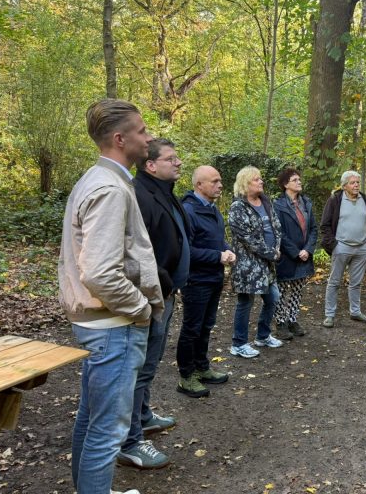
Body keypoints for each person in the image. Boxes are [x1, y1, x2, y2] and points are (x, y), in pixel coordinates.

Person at [58, 98, 162, 494]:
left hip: (100, 323)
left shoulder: (98, 180)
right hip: (114, 325)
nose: (147, 137)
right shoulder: (110, 188)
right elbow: (100, 271)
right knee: (108, 429)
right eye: (141, 131)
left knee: (90, 418)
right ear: (120, 139)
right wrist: (140, 309)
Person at [117, 138, 188, 470]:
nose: (178, 164)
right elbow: (137, 250)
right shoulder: (139, 195)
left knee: (150, 364)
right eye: (171, 159)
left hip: (166, 292)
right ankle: (130, 441)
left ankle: (143, 416)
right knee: (140, 369)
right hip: (151, 294)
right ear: (151, 165)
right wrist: (164, 281)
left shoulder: (163, 192)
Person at [176, 165, 235, 398]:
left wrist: (228, 250)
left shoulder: (212, 209)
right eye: (214, 181)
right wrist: (218, 256)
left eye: (220, 181)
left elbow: (218, 240)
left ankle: (201, 367)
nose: (220, 185)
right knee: (192, 329)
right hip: (196, 280)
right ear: (199, 185)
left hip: (214, 277)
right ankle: (186, 376)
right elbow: (186, 250)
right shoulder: (188, 211)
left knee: (206, 326)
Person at [229, 166, 285, 357]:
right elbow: (249, 239)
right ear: (245, 183)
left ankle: (263, 335)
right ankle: (239, 343)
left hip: (267, 264)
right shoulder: (238, 207)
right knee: (245, 303)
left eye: (260, 179)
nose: (261, 182)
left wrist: (277, 247)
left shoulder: (265, 202)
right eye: (256, 179)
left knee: (273, 298)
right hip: (248, 266)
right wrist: (272, 253)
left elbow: (276, 226)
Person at [320, 170, 366, 328]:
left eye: (357, 182)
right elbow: (325, 225)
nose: (356, 185)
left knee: (356, 283)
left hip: (361, 248)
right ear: (344, 186)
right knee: (334, 282)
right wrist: (334, 246)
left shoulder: (365, 199)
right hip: (341, 247)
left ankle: (355, 312)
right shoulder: (335, 200)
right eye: (353, 182)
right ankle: (329, 315)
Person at [272, 168, 318, 340]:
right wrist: (296, 252)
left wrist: (308, 249)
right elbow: (279, 233)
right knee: (283, 291)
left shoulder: (306, 202)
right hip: (287, 256)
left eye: (299, 179)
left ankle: (292, 320)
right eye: (295, 180)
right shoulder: (278, 205)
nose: (299, 182)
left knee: (297, 290)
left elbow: (313, 228)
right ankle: (281, 323)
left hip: (304, 255)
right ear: (285, 185)